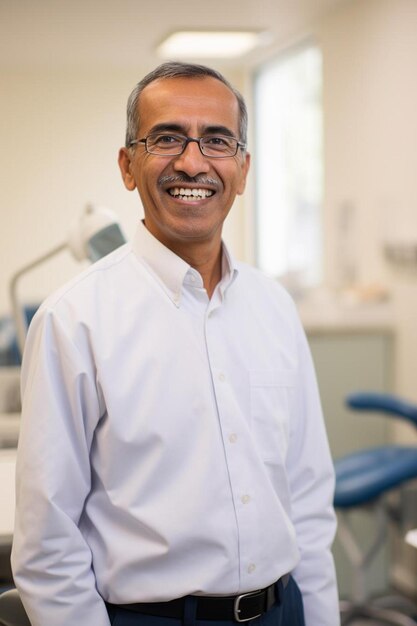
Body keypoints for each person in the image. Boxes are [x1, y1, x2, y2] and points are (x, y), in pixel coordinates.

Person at [11, 62, 340, 626]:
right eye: (167, 138)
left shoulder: (274, 308)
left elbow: (307, 500)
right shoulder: (73, 321)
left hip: (284, 610)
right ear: (127, 165)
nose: (193, 161)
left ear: (242, 168)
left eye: (216, 141)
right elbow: (48, 548)